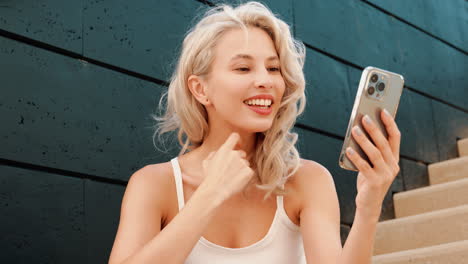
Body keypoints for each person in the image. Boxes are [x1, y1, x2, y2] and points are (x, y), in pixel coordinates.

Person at [108, 2, 401, 264]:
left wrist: (369, 206)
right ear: (200, 89)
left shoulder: (307, 181)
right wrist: (209, 196)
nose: (265, 80)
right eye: (243, 68)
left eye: (273, 68)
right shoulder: (154, 185)